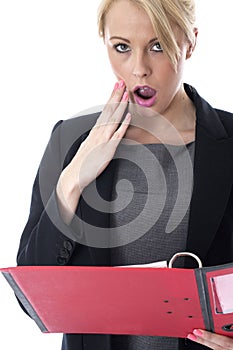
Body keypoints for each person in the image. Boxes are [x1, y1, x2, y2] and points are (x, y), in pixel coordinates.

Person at [16, 0, 233, 349]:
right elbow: (31, 298)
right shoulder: (69, 140)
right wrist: (72, 181)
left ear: (190, 43)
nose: (139, 69)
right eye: (121, 47)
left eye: (158, 46)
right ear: (104, 41)